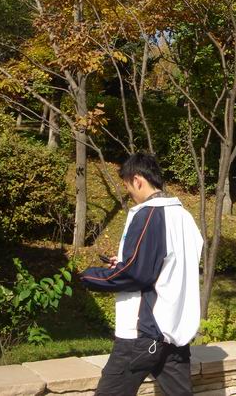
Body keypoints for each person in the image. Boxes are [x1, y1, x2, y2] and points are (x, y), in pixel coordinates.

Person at [78, 153, 203, 396]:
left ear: (137, 180)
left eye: (127, 186)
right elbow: (169, 265)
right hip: (175, 330)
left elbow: (136, 274)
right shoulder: (184, 217)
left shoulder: (149, 215)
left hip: (143, 333)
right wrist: (124, 264)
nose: (130, 194)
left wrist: (89, 276)